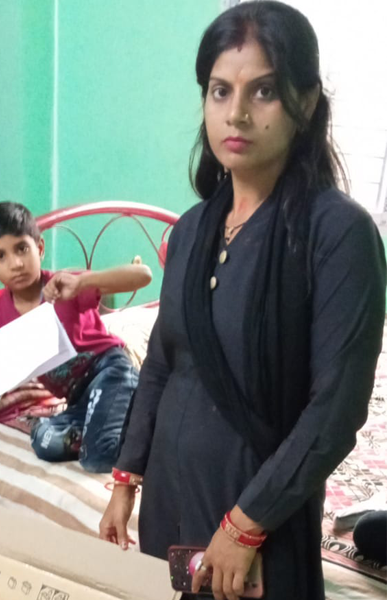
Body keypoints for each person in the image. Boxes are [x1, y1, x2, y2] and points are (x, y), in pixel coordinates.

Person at [99, 2, 386, 600]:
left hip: (256, 516)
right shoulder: (193, 227)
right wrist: (126, 479)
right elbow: (160, 365)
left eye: (263, 92)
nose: (236, 112)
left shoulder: (337, 235)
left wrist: (246, 524)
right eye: (220, 90)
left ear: (305, 104)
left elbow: (335, 413)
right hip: (171, 502)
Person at [0, 201, 152, 473]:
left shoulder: (65, 285)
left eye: (22, 249)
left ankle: (146, 436)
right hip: (77, 398)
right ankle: (118, 428)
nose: (15, 263)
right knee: (42, 440)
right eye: (0, 257)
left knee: (97, 458)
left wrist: (84, 281)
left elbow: (144, 275)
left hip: (109, 372)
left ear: (40, 248)